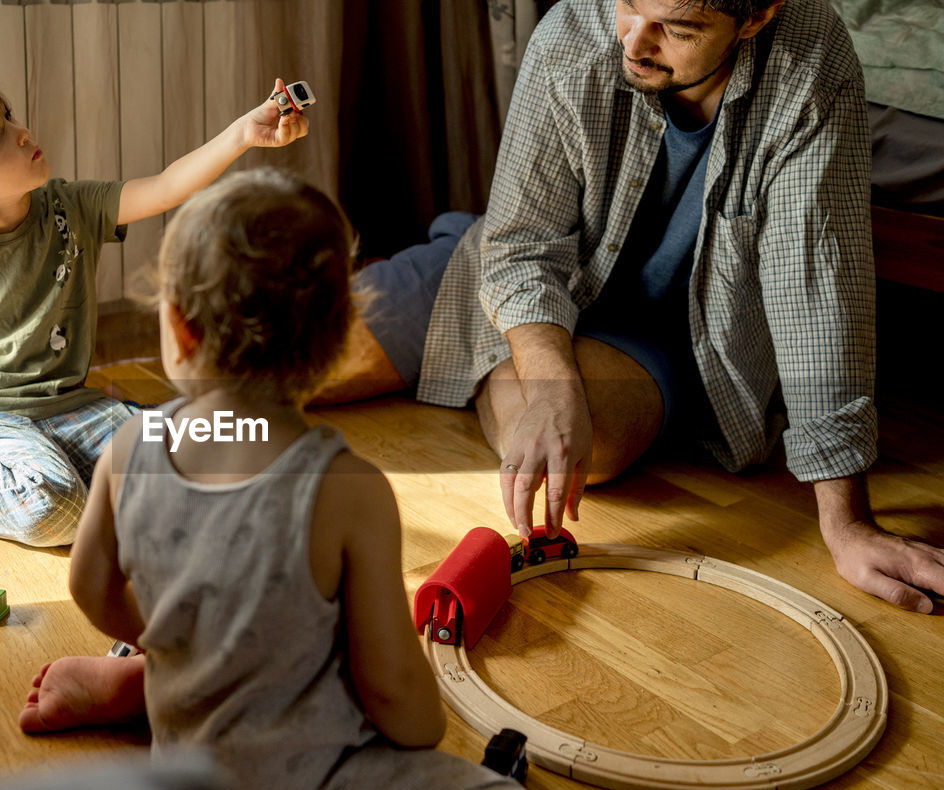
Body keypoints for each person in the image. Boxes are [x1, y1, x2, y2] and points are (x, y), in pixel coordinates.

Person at [322, 0, 944, 613]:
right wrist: (550, 383)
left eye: (676, 29)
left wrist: (847, 523)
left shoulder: (810, 58)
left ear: (756, 17)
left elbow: (814, 282)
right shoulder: (570, 31)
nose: (634, 43)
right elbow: (523, 243)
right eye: (628, 6)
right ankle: (462, 282)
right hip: (526, 262)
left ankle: (482, 343)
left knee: (586, 455)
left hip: (665, 329)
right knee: (269, 371)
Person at [18, 169, 552, 790]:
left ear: (179, 330)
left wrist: (184, 643)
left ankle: (135, 689)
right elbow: (393, 694)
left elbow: (89, 587)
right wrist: (429, 728)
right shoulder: (348, 489)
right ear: (339, 345)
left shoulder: (132, 446)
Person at [0, 74, 307, 546]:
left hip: (71, 408)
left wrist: (244, 133)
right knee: (54, 506)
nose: (23, 134)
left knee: (235, 441)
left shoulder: (71, 208)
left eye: (9, 117)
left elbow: (166, 187)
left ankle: (101, 463)